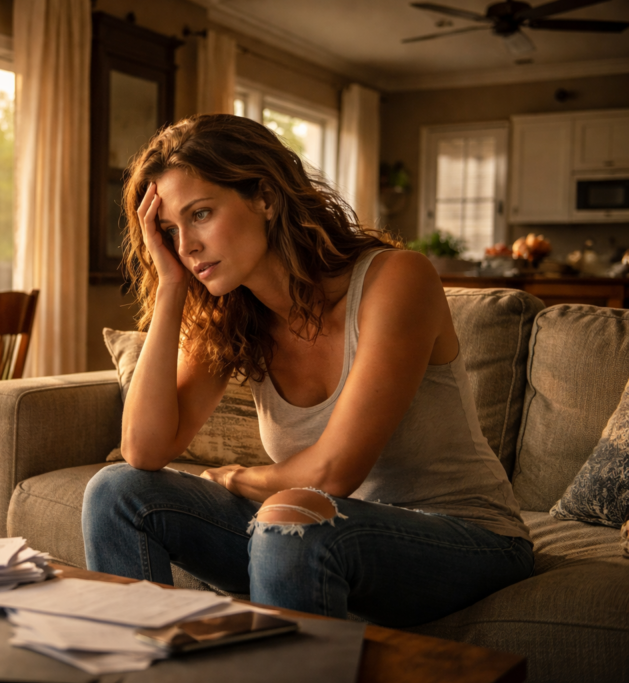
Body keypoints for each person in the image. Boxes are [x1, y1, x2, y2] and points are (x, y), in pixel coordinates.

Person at [81, 115, 533, 627]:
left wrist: (235, 477)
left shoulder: (397, 279)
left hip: (465, 536)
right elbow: (145, 450)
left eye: (201, 214)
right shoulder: (230, 314)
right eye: (168, 231)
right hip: (309, 533)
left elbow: (333, 473)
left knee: (290, 517)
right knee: (116, 492)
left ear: (266, 199)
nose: (186, 246)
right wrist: (169, 290)